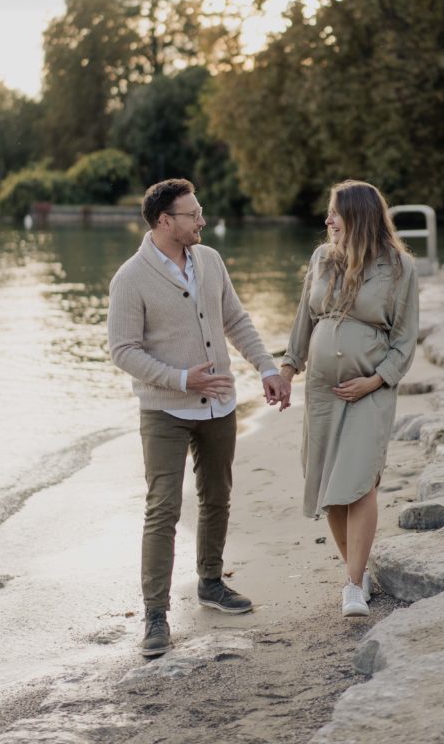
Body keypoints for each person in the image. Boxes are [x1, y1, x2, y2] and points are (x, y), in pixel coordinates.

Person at [108, 178, 291, 657]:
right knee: (163, 508)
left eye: (200, 211)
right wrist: (180, 379)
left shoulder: (209, 260)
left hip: (220, 404)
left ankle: (211, 582)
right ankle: (155, 615)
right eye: (193, 214)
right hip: (164, 408)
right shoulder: (130, 278)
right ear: (164, 221)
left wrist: (267, 367)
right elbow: (122, 350)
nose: (202, 220)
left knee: (217, 497)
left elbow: (235, 318)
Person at [279, 180, 419, 618]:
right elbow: (305, 319)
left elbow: (405, 339)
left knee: (359, 481)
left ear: (357, 215)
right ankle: (357, 571)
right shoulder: (322, 258)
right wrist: (287, 368)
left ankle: (352, 586)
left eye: (334, 213)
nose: (327, 220)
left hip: (368, 391)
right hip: (321, 390)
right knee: (330, 487)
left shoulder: (399, 267)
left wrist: (374, 381)